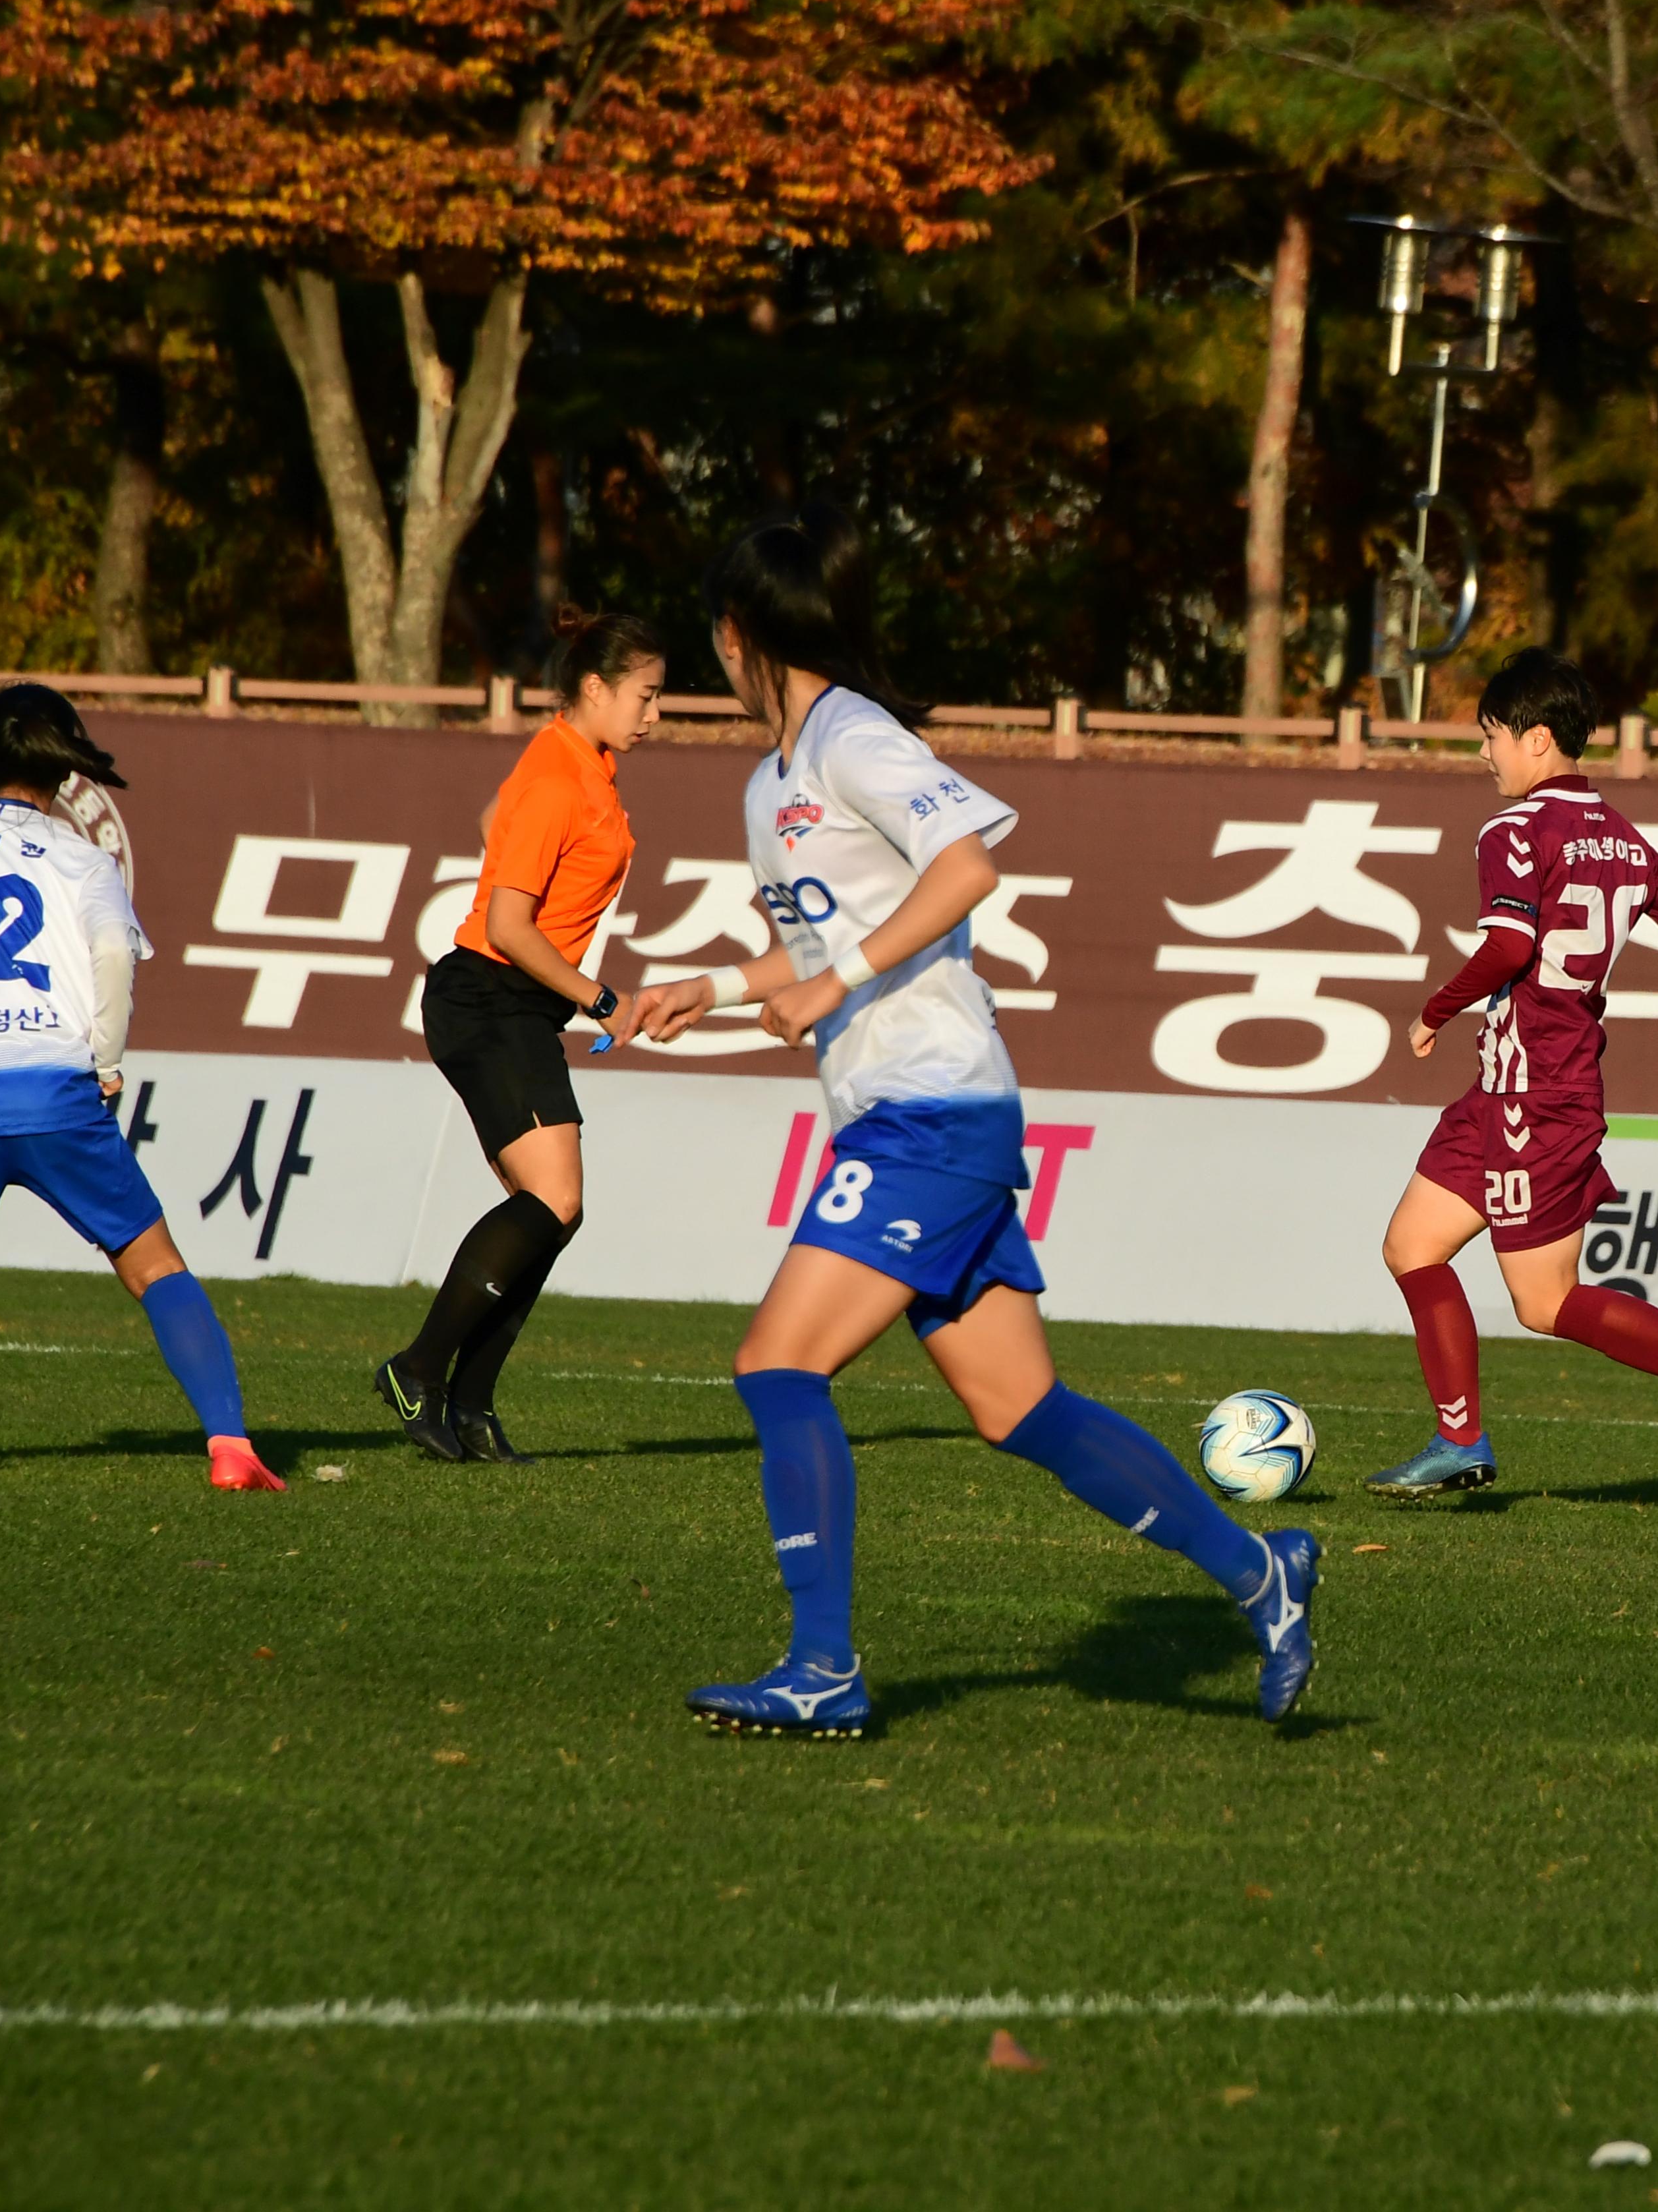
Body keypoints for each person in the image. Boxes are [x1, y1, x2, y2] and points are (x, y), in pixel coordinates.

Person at [633, 517, 1317, 1735]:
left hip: (927, 1108)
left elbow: (964, 870)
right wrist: (717, 987)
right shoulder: (767, 783)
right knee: (1019, 1410)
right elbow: (806, 948)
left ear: (736, 638)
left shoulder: (851, 734)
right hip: (911, 1114)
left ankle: (824, 1668)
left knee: (777, 1364)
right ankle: (1266, 1574)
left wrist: (829, 985)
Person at [1364, 649, 1658, 1497]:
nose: (1483, 755)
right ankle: (1460, 1441)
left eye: (1490, 736)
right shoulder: (1626, 840)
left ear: (1536, 739)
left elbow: (1509, 946)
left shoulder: (1514, 830)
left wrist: (1434, 1009)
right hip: (1503, 1091)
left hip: (1539, 1097)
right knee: (1411, 1245)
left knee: (1546, 1302)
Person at [0, 684, 279, 1492]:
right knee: (157, 1270)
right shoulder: (83, 857)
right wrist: (106, 1059)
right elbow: (111, 957)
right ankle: (231, 1446)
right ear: (66, 772)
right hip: (52, 1093)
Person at [378, 608, 666, 1466]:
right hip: (491, 995)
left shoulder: (574, 762)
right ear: (595, 688)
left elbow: (491, 821)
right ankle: (418, 1368)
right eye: (645, 698)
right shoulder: (561, 777)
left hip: (510, 1004)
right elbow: (507, 922)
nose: (654, 715)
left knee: (548, 1215)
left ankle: (468, 1408)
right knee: (556, 1202)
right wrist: (602, 998)